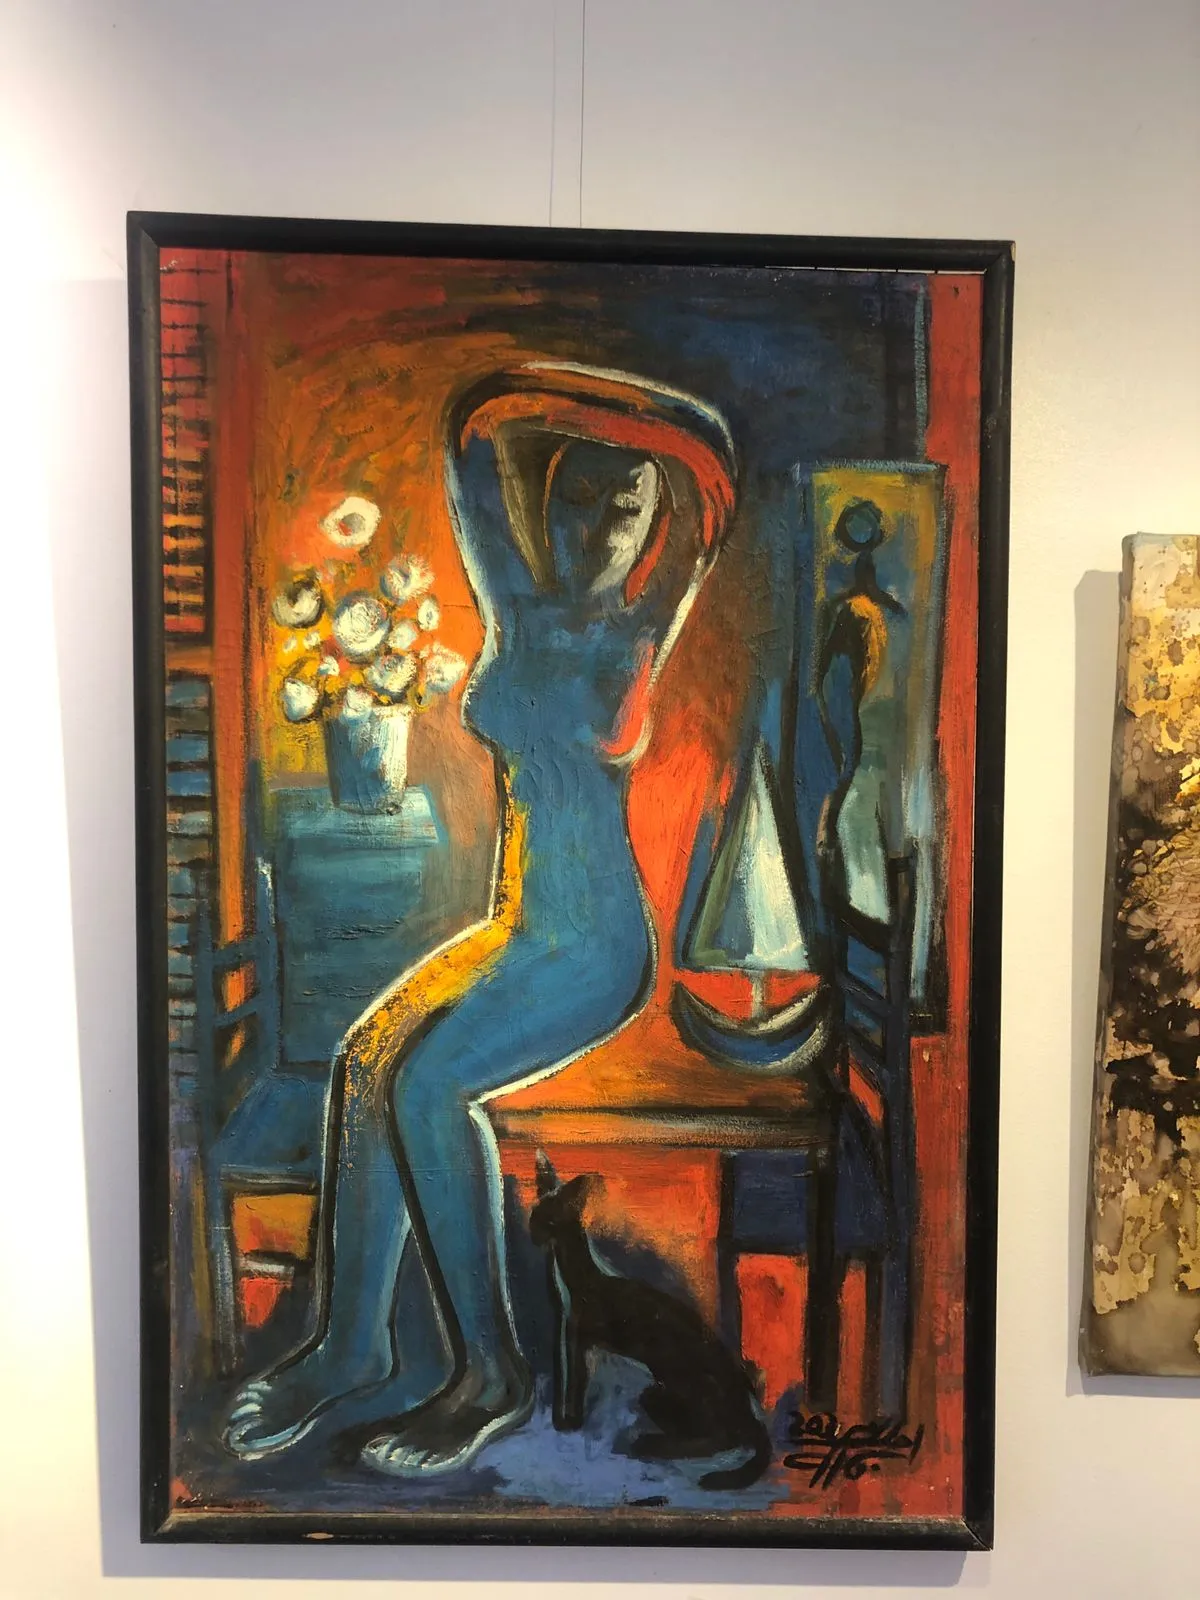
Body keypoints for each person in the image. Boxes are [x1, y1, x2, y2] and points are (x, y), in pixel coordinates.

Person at [224, 363, 736, 1476]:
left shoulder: (643, 623)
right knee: (366, 1058)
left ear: (653, 525)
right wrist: (546, 398)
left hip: (594, 949)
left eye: (625, 507)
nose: (596, 527)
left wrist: (639, 420)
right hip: (517, 929)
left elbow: (715, 483)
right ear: (543, 505)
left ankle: (490, 1373)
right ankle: (348, 1346)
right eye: (576, 498)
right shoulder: (518, 605)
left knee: (425, 1084)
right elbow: (468, 435)